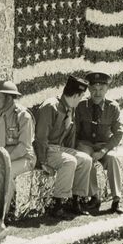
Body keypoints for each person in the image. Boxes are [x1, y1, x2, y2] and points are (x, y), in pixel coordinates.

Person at [33, 75, 93, 218]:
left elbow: (70, 137)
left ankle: (75, 200)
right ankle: (58, 204)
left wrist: (71, 152)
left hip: (58, 149)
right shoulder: (51, 106)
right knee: (69, 161)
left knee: (85, 159)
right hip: (44, 149)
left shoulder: (69, 108)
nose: (81, 100)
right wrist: (42, 162)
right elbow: (41, 137)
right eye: (81, 96)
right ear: (76, 95)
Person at [75, 72, 123, 214]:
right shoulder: (81, 106)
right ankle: (94, 197)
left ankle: (117, 200)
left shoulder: (113, 107)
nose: (97, 93)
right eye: (94, 89)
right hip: (86, 144)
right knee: (86, 158)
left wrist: (104, 150)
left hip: (104, 145)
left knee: (113, 159)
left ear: (107, 89)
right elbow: (76, 130)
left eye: (101, 89)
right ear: (89, 89)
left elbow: (119, 132)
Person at [0, 80, 35, 179]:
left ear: (9, 98)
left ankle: (8, 195)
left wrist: (3, 161)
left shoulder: (23, 116)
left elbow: (23, 147)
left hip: (23, 158)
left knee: (6, 173)